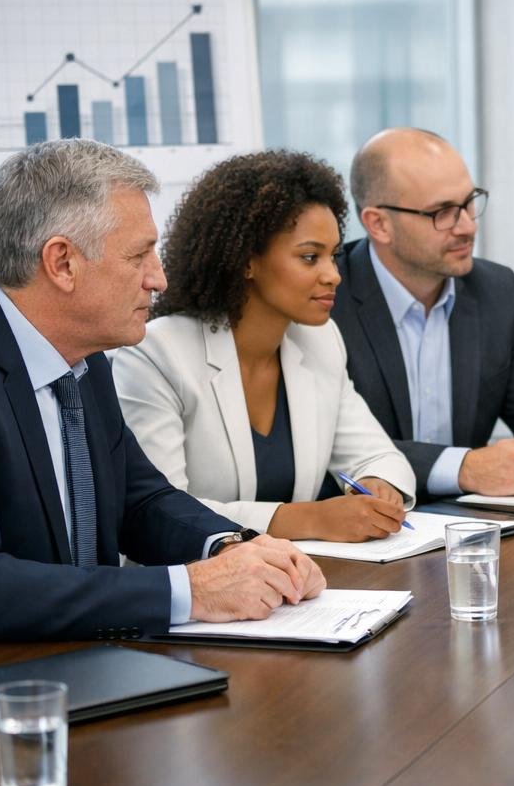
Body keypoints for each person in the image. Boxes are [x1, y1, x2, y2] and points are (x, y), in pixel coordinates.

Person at [0, 139, 324, 681]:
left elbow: (140, 500)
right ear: (62, 262)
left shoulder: (82, 355)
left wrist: (235, 549)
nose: (158, 278)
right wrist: (191, 589)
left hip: (71, 666)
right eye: (139, 255)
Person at [111, 151, 417, 540]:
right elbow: (159, 511)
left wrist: (378, 486)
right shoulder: (158, 353)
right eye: (310, 257)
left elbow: (380, 456)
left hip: (298, 584)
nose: (333, 275)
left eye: (333, 255)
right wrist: (309, 519)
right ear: (246, 260)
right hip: (195, 587)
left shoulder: (320, 341)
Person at [332, 128, 514, 499]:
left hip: (473, 535)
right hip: (361, 538)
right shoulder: (326, 296)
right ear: (379, 224)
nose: (468, 226)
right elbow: (323, 451)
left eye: (469, 202)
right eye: (442, 212)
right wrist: (463, 468)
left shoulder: (496, 291)